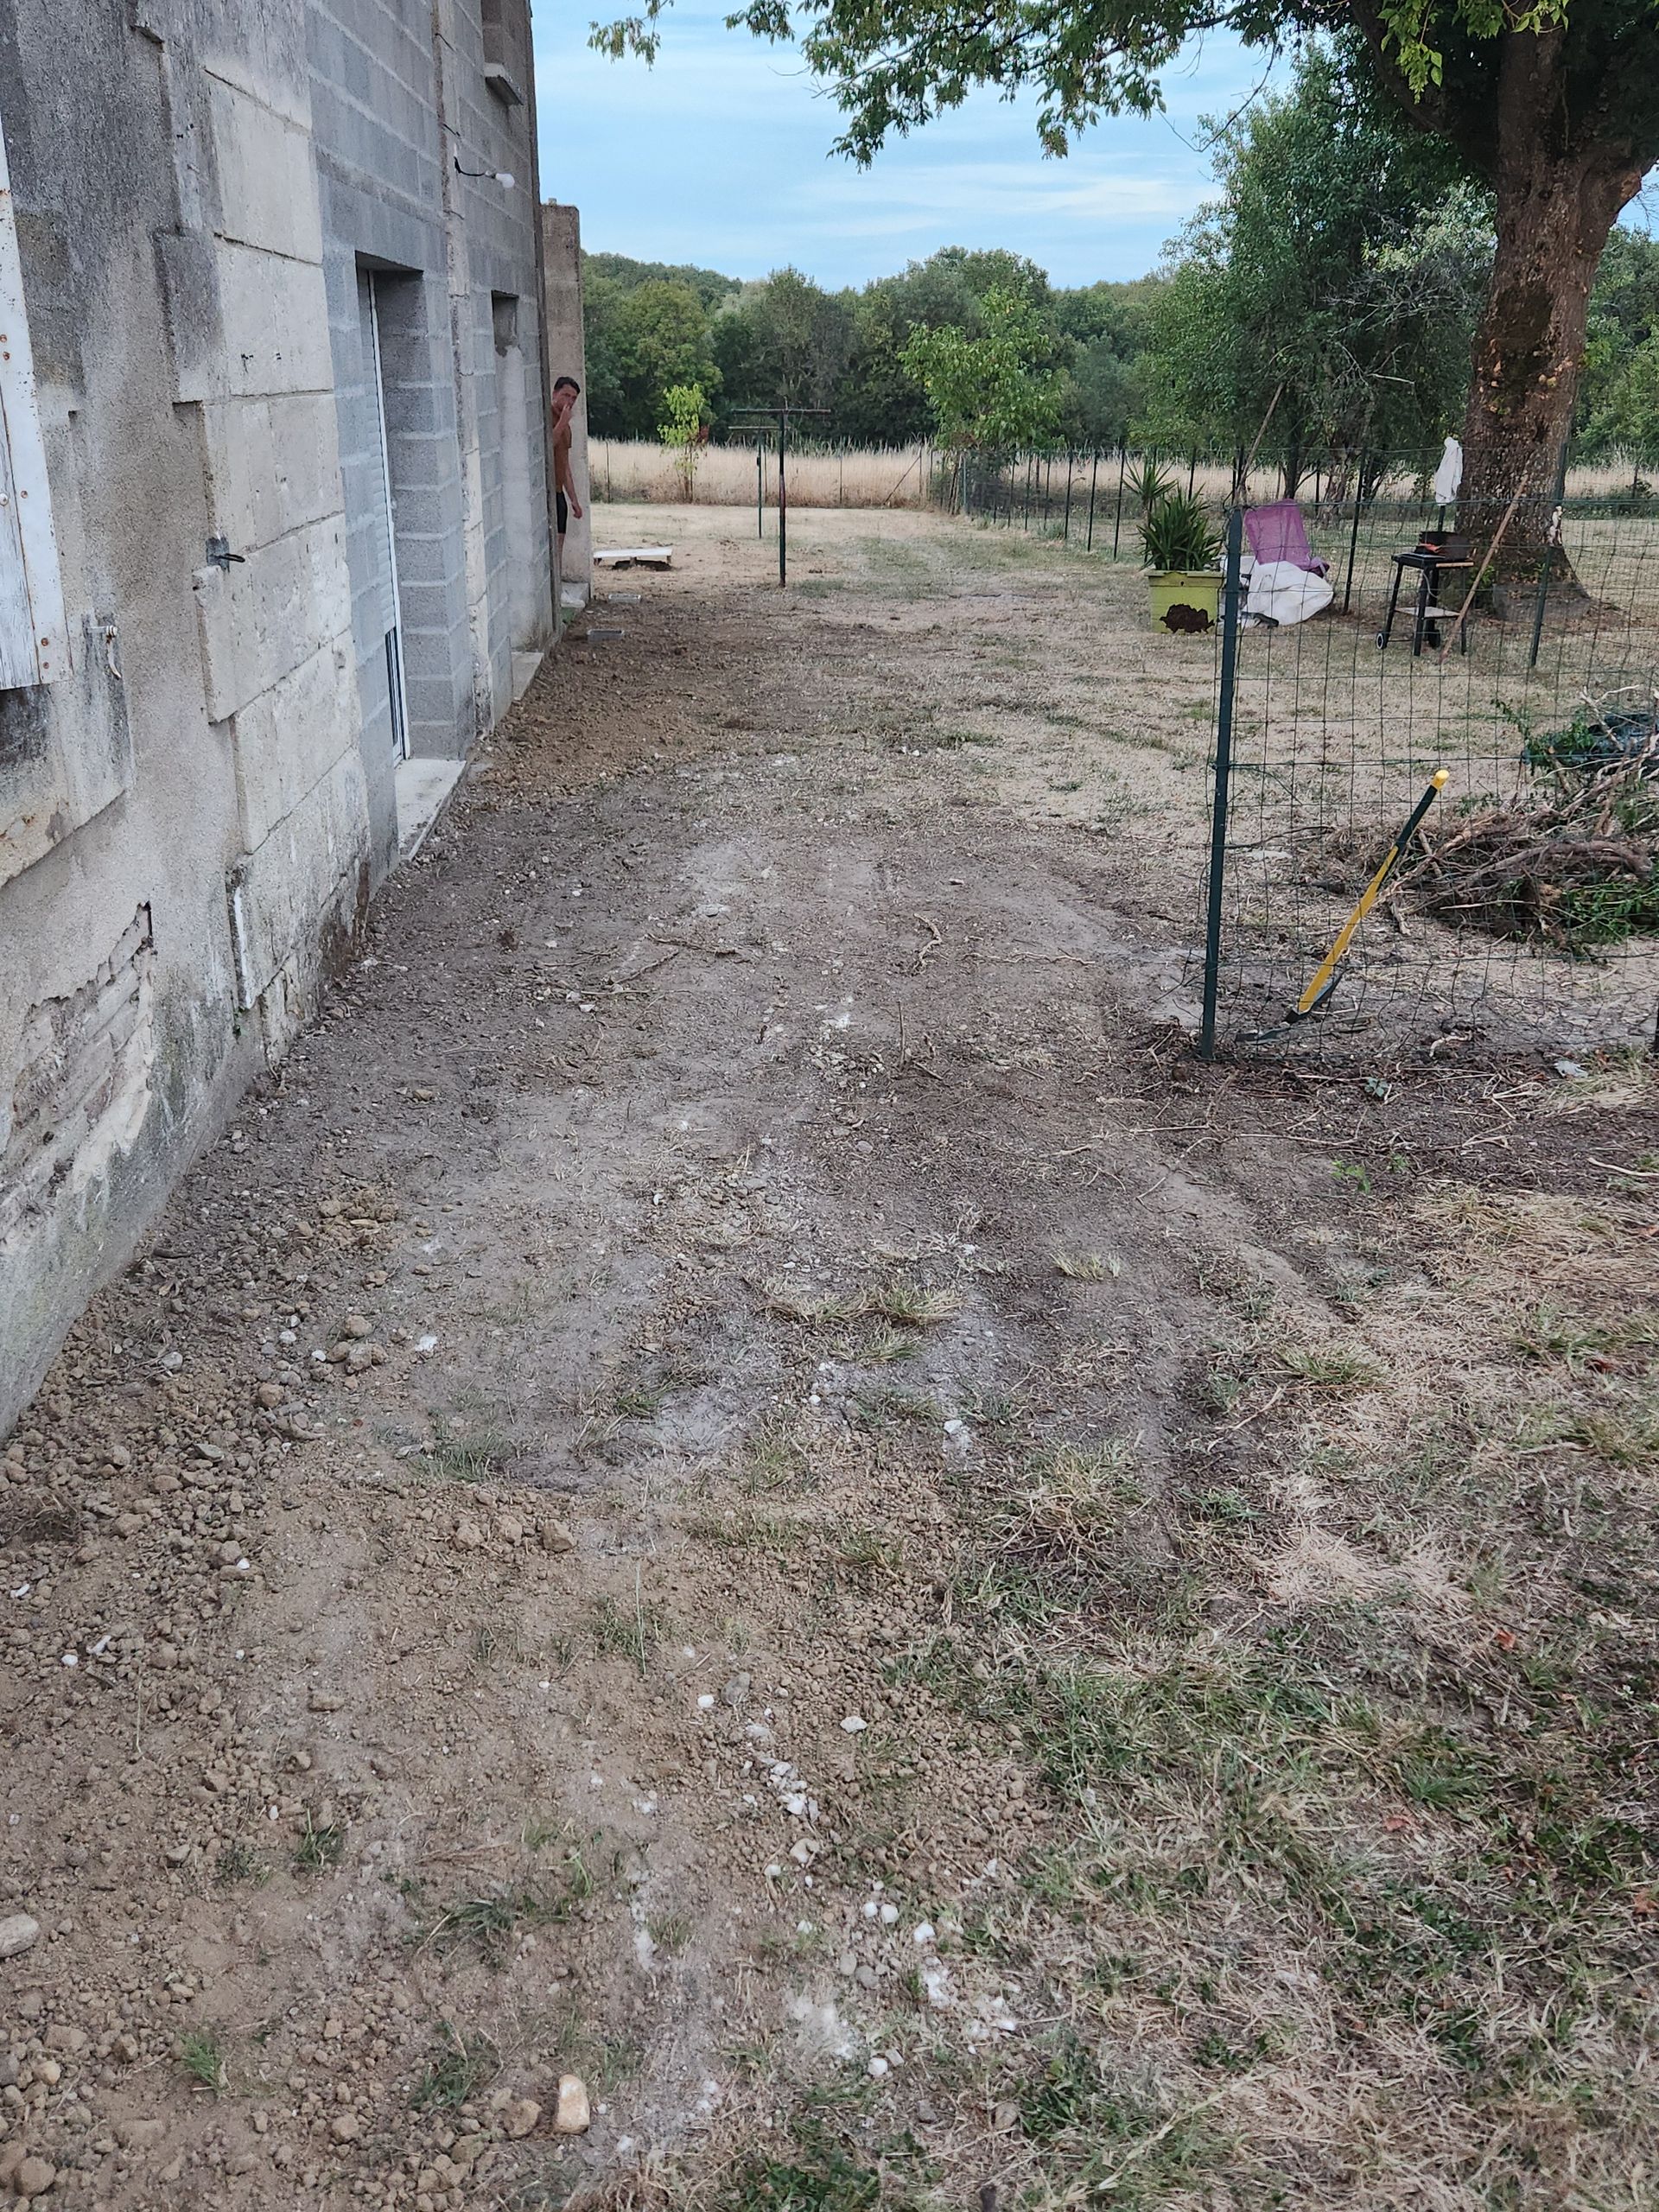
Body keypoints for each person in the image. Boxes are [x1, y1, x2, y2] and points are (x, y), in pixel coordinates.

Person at [550, 375, 583, 586]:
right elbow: (547, 445)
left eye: (573, 398)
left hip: (559, 490)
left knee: (559, 543)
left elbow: (565, 465)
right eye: (565, 395)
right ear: (555, 394)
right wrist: (562, 422)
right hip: (546, 491)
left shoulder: (567, 427)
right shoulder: (549, 417)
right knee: (551, 543)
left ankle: (558, 587)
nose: (569, 401)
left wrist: (574, 500)